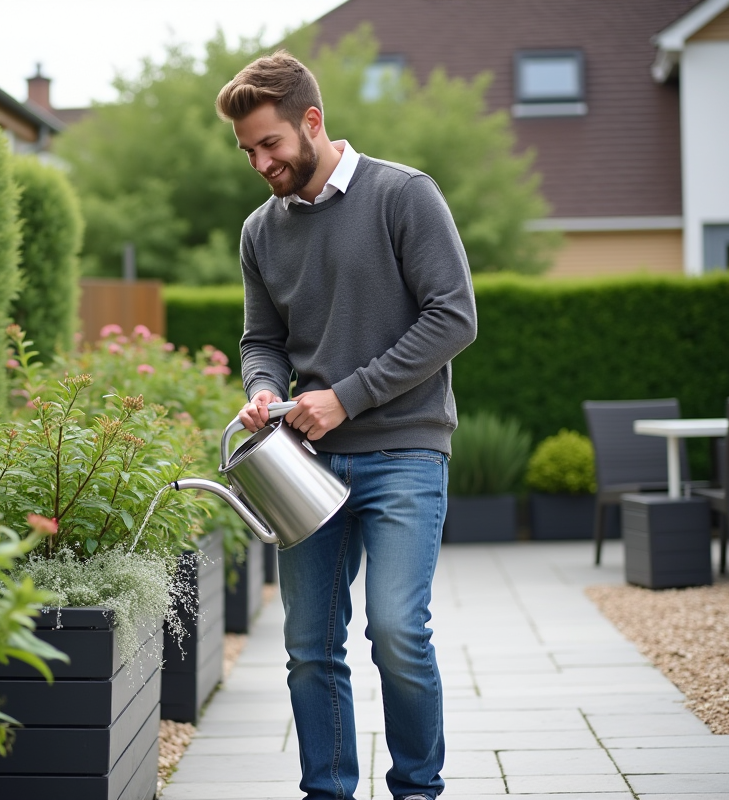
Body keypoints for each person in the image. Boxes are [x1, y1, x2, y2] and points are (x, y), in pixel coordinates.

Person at [215, 51, 477, 800]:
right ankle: (326, 792)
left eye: (270, 143)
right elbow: (261, 340)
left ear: (312, 121)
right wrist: (265, 392)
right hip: (306, 462)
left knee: (396, 632)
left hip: (405, 452)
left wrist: (347, 396)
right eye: (248, 151)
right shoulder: (259, 232)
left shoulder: (403, 195)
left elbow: (454, 318)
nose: (260, 162)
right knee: (309, 648)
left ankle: (417, 792)